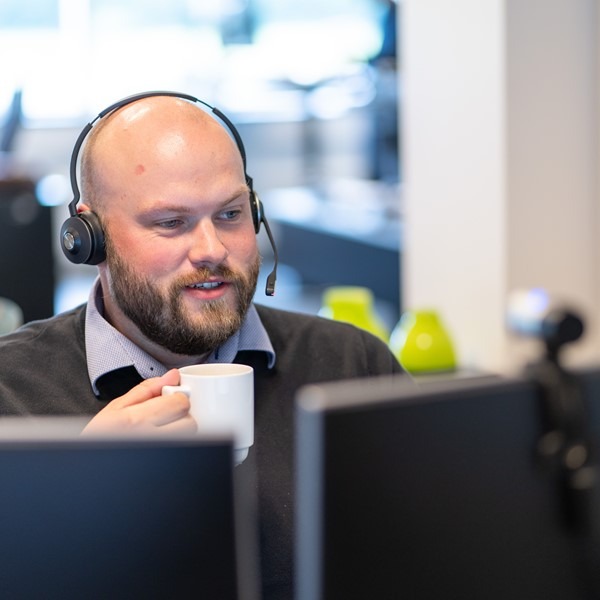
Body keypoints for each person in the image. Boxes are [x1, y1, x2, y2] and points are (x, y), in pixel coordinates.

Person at [0, 92, 403, 599]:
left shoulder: (352, 366)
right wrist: (74, 493)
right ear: (88, 237)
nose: (212, 250)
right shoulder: (11, 394)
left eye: (231, 214)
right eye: (171, 223)